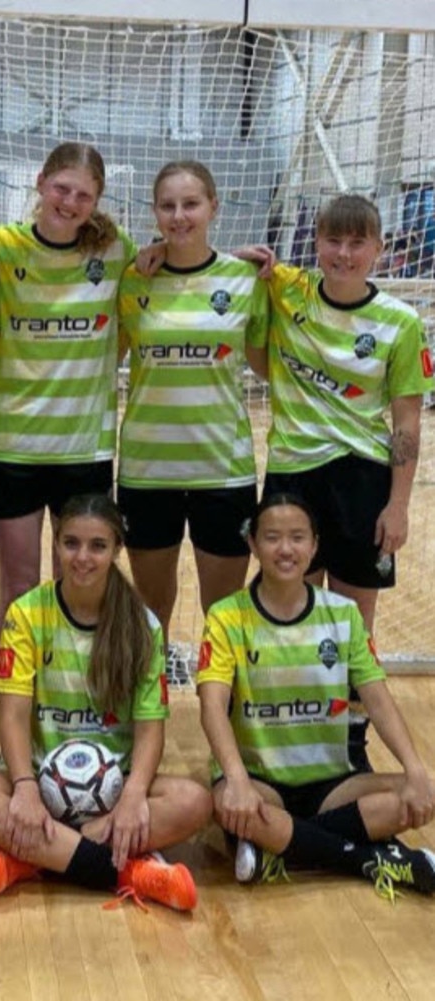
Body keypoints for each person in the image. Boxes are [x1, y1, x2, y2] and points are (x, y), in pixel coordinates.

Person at [0, 494, 211, 911]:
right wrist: (23, 788)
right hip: (38, 782)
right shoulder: (27, 614)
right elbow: (13, 715)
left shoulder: (141, 624)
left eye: (98, 546)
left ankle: (32, 860)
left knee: (194, 802)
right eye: (71, 543)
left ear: (116, 550)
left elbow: (151, 729)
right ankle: (128, 872)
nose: (83, 557)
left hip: (115, 787)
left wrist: (133, 796)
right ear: (55, 545)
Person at [257, 194, 434, 769]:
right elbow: (233, 265)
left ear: (380, 248)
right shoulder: (289, 291)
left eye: (358, 242)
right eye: (333, 240)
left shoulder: (400, 323)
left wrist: (399, 506)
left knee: (355, 622)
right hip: (293, 476)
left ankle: (352, 740)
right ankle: (295, 732)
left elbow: (407, 420)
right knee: (291, 611)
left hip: (362, 481)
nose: (344, 253)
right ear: (317, 243)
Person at [197, 494, 435, 901]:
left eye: (297, 538)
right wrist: (236, 780)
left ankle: (283, 848)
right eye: (272, 537)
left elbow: (378, 699)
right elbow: (212, 706)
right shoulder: (225, 615)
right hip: (262, 785)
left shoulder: (344, 615)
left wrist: (414, 769)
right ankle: (369, 859)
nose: (285, 549)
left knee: (419, 795)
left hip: (333, 786)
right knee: (222, 804)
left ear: (314, 546)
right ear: (253, 545)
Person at [0, 142, 138, 644]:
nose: (70, 202)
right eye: (61, 189)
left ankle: (70, 695)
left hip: (84, 448)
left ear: (98, 201)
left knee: (80, 585)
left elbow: (141, 311)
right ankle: (16, 701)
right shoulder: (1, 248)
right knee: (20, 586)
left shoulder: (117, 251)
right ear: (40, 183)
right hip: (14, 446)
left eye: (84, 196)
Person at [117, 160, 268, 653]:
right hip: (147, 469)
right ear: (155, 213)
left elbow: (271, 365)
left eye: (191, 204)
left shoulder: (245, 280)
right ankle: (149, 712)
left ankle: (225, 716)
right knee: (151, 607)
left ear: (213, 207)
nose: (179, 216)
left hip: (222, 471)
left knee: (223, 612)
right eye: (168, 206)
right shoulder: (133, 279)